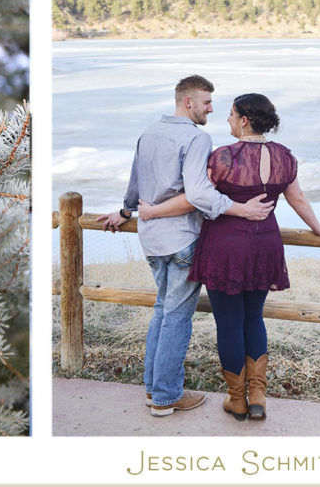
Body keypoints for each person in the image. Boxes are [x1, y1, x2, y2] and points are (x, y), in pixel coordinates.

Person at [139, 92, 320, 421]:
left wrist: (152, 211)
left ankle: (237, 401)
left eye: (230, 114)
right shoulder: (284, 156)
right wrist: (318, 226)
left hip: (225, 247)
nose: (227, 120)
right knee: (253, 318)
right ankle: (258, 397)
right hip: (265, 244)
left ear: (244, 120)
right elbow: (297, 197)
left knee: (229, 322)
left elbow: (195, 199)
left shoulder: (223, 157)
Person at [97, 76, 274, 418]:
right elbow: (198, 195)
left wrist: (125, 211)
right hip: (181, 239)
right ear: (187, 102)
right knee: (176, 317)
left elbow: (134, 184)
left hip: (150, 238)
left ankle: (152, 389)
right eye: (207, 102)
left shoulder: (148, 132)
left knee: (163, 310)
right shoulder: (196, 137)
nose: (212, 109)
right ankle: (165, 397)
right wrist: (241, 209)